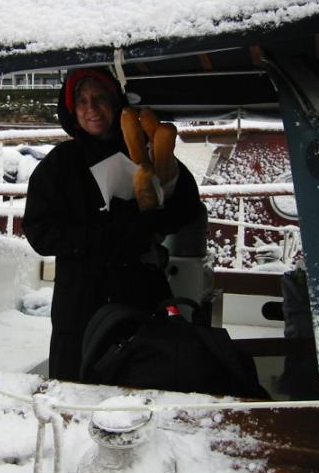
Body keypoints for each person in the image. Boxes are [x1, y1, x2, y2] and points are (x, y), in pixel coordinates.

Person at [22, 68, 207, 382]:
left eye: (100, 98)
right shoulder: (60, 163)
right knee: (78, 386)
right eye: (82, 101)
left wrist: (150, 221)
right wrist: (101, 237)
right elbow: (40, 232)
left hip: (141, 292)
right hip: (80, 300)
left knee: (141, 381)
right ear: (72, 110)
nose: (91, 108)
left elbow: (188, 207)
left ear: (116, 102)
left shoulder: (144, 151)